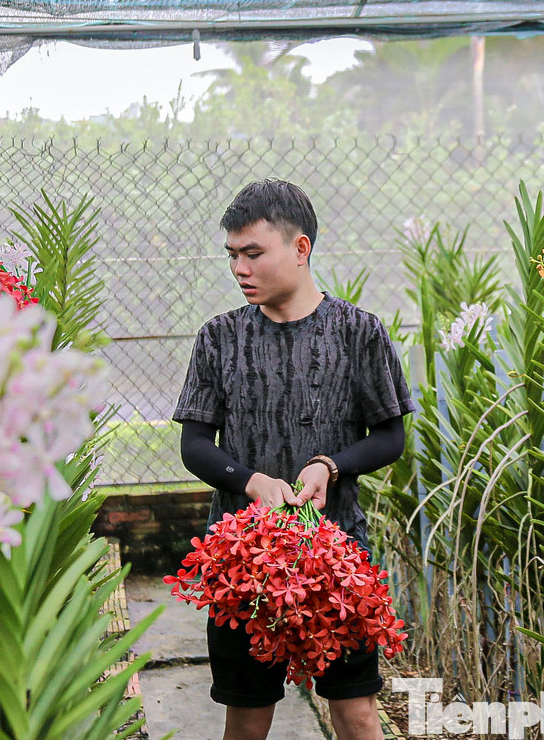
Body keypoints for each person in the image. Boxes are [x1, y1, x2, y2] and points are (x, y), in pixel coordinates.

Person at [173, 178, 415, 740]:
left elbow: (389, 436)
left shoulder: (359, 333)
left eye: (254, 253)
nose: (240, 268)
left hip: (338, 562)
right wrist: (252, 481)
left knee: (357, 715)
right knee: (247, 720)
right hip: (244, 568)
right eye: (233, 255)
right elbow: (195, 446)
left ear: (301, 249)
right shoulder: (219, 338)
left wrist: (331, 466)